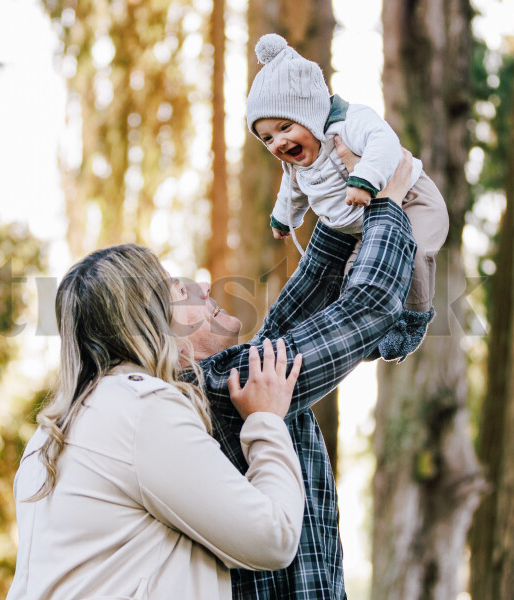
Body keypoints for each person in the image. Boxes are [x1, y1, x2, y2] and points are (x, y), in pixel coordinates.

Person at [177, 147, 417, 600]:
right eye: (178, 292)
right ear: (156, 335)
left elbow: (298, 310)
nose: (203, 286)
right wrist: (388, 202)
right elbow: (366, 309)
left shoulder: (230, 376)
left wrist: (344, 199)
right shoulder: (219, 387)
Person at [6, 244, 307, 599]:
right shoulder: (140, 409)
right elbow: (273, 537)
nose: (201, 287)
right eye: (177, 290)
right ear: (147, 317)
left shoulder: (45, 438)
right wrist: (266, 420)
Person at [246, 33, 449, 361]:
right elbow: (292, 189)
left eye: (285, 127)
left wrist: (364, 178)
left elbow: (384, 141)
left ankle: (412, 319)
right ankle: (371, 332)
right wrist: (284, 218)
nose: (278, 142)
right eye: (267, 138)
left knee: (414, 253)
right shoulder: (297, 163)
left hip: (412, 199)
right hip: (366, 228)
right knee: (355, 279)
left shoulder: (347, 122)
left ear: (310, 111)